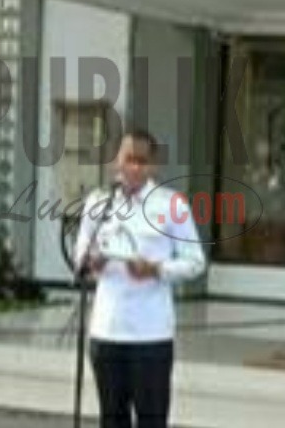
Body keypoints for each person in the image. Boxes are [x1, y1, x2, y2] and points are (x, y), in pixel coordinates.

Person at [74, 129, 207, 428]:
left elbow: (195, 262)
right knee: (112, 417)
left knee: (151, 418)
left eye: (142, 161)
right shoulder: (99, 203)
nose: (134, 167)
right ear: (115, 163)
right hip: (107, 330)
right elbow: (80, 255)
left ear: (153, 166)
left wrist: (157, 269)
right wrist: (92, 261)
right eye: (128, 159)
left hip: (150, 333)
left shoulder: (171, 205)